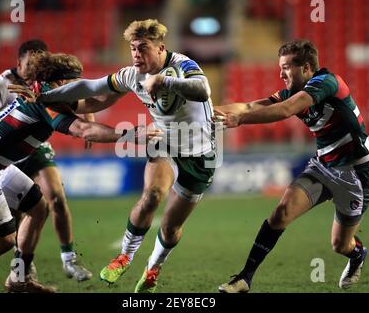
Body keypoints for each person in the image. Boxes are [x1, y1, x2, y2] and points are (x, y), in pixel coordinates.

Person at [14, 19, 217, 293]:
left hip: (200, 153)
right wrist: (46, 98)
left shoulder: (183, 65)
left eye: (142, 48)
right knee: (152, 195)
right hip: (163, 141)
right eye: (132, 48)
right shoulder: (131, 75)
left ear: (160, 48)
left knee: (170, 228)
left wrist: (165, 81)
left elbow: (203, 90)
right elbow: (90, 87)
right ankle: (124, 256)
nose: (135, 54)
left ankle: (152, 269)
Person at [0, 51, 160, 293]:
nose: (79, 86)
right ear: (61, 82)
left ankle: (19, 279)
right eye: (74, 81)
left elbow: (93, 102)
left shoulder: (48, 93)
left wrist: (126, 83)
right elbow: (84, 130)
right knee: (4, 240)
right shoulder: (45, 102)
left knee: (39, 209)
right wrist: (131, 134)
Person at [214, 39, 369, 292]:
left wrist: (242, 119)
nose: (280, 74)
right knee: (281, 213)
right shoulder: (291, 91)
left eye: (286, 67)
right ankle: (244, 278)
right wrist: (207, 112)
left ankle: (357, 255)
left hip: (356, 173)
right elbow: (250, 105)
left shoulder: (327, 82)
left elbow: (285, 110)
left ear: (306, 68)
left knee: (340, 245)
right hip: (323, 167)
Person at [0, 39, 93, 282]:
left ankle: (69, 260)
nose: (37, 67)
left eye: (41, 63)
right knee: (17, 216)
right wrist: (8, 123)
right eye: (30, 63)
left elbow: (76, 95)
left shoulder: (44, 83)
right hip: (6, 152)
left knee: (56, 196)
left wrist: (87, 116)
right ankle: (22, 266)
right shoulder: (0, 85)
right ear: (18, 63)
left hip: (35, 148)